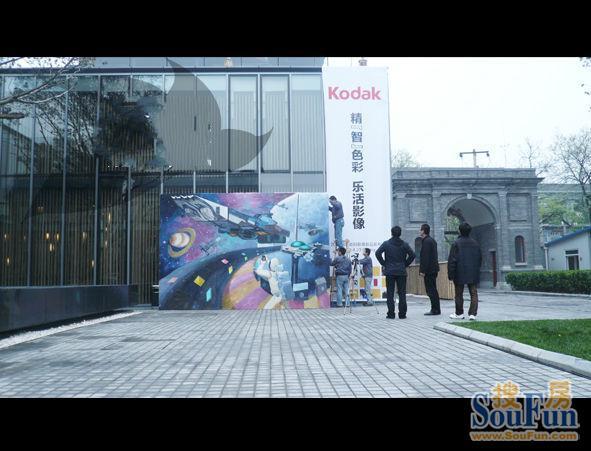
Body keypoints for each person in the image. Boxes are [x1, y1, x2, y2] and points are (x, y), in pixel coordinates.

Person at [375, 226, 415, 319]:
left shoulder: (386, 244)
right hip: (401, 271)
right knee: (402, 293)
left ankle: (391, 314)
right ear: (400, 233)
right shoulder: (404, 244)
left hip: (390, 271)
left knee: (390, 293)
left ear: (391, 233)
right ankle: (402, 314)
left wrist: (384, 263)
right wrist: (405, 264)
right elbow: (412, 255)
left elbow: (377, 253)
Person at [447, 222, 482, 320]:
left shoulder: (456, 243)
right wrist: (477, 269)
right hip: (473, 271)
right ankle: (472, 314)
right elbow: (480, 258)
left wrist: (450, 274)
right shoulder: (475, 243)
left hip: (459, 271)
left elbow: (452, 260)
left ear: (459, 231)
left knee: (459, 293)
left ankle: (459, 313)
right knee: (473, 292)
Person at [419, 224, 441, 316]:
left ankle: (435, 309)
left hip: (429, 270)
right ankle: (436, 309)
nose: (419, 231)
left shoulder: (426, 242)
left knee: (431, 290)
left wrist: (422, 271)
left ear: (423, 231)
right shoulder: (431, 240)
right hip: (433, 269)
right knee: (433, 289)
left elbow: (425, 257)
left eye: (420, 230)